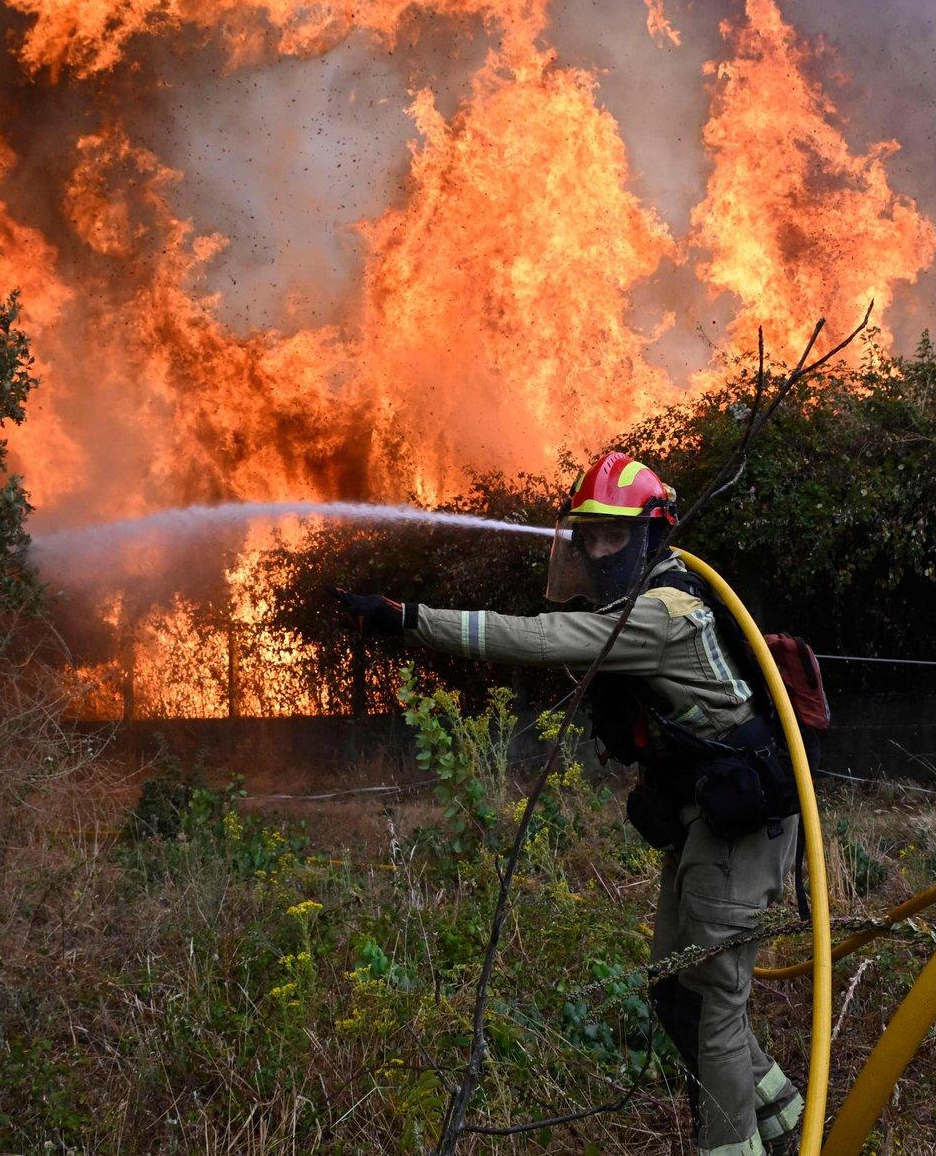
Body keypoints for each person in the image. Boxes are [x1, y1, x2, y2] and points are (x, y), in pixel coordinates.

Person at [332, 451, 804, 1156]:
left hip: (742, 831)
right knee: (674, 993)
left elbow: (534, 638)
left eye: (614, 535)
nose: (597, 549)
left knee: (714, 1008)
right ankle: (785, 1119)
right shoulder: (650, 595)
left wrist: (410, 619)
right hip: (705, 823)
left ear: (649, 536)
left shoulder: (658, 615)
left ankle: (734, 1148)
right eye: (589, 535)